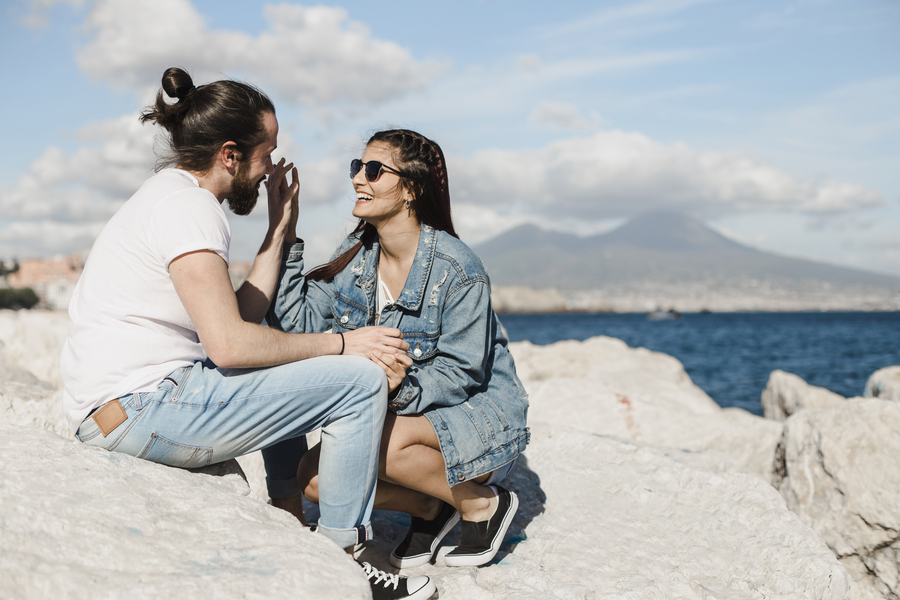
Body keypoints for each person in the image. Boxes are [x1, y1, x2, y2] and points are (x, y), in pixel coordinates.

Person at [60, 68, 435, 600]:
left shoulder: (172, 196)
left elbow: (237, 318)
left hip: (130, 404)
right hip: (143, 408)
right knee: (359, 383)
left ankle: (289, 513)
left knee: (284, 361)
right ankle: (349, 560)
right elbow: (232, 347)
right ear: (231, 155)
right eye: (267, 153)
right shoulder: (189, 209)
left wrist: (279, 229)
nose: (270, 170)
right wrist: (347, 344)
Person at [268, 129, 530, 569]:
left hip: (479, 420)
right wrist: (286, 232)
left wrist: (393, 388)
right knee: (313, 478)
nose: (358, 180)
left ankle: (482, 503)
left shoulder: (458, 270)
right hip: (404, 420)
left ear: (411, 189)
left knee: (372, 439)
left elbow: (461, 373)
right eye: (357, 168)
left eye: (374, 170)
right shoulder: (355, 255)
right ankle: (430, 507)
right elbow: (300, 324)